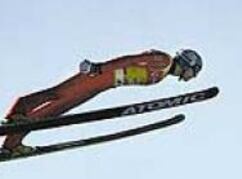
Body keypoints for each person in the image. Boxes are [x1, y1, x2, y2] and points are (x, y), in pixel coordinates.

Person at [1, 49, 203, 155]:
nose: (192, 77)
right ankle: (15, 124)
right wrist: (99, 67)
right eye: (193, 72)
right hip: (96, 78)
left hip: (100, 85)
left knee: (54, 107)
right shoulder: (164, 61)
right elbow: (130, 59)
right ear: (188, 64)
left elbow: (128, 73)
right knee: (54, 100)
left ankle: (12, 140)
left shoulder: (161, 75)